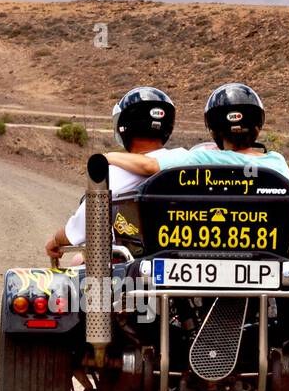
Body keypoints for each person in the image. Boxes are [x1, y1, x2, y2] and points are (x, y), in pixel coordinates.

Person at [45, 87, 186, 263]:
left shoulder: (117, 172)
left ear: (124, 126)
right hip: (189, 256)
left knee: (78, 261)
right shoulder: (186, 160)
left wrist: (56, 240)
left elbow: (84, 225)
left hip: (134, 269)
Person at [103, 82, 289, 183]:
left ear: (214, 129)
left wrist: (107, 157)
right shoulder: (276, 162)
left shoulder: (202, 159)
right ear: (258, 125)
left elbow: (149, 166)